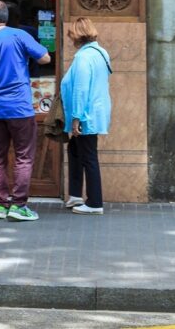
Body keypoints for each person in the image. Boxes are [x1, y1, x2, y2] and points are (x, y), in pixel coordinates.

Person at [0, 0, 51, 222]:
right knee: (23, 157)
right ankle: (19, 205)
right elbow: (44, 57)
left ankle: (1, 205)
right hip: (20, 107)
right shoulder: (19, 35)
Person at [60, 16, 112, 215]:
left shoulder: (83, 57)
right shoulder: (100, 53)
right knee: (75, 149)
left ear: (77, 35)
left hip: (86, 114)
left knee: (88, 155)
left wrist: (76, 118)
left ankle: (95, 202)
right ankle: (75, 194)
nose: (70, 39)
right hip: (97, 110)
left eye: (71, 35)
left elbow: (81, 89)